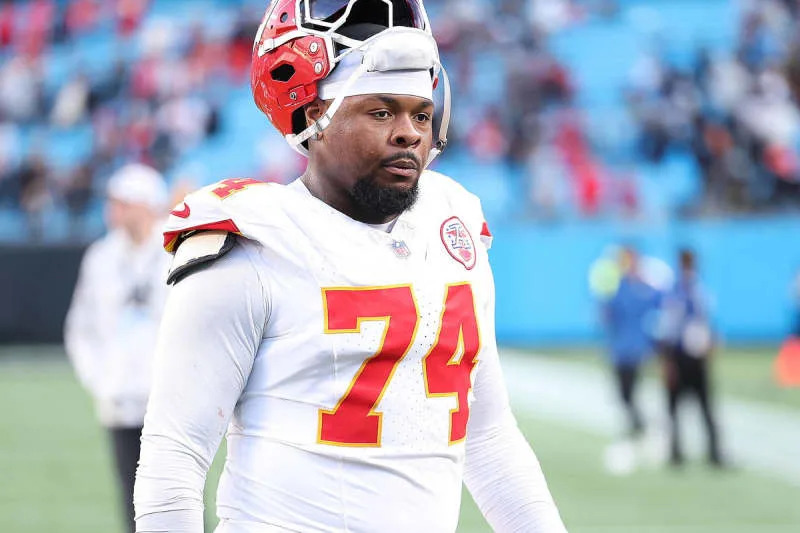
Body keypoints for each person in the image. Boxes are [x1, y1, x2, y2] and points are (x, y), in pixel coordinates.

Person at [133, 1, 567, 532]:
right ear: (314, 117)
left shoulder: (451, 222)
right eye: (381, 112)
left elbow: (489, 437)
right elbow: (174, 458)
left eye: (421, 114)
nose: (409, 133)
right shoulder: (254, 241)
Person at [64, 163, 170, 533]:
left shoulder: (176, 249)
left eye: (123, 203)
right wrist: (99, 379)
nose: (114, 211)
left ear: (146, 205)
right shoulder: (101, 256)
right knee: (132, 497)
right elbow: (81, 327)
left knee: (178, 495)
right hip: (120, 396)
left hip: (169, 397)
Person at [660, 248, 723, 467]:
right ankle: (675, 451)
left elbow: (705, 322)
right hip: (679, 354)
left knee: (705, 405)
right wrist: (668, 360)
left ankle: (714, 451)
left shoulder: (698, 290)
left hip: (696, 356)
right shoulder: (676, 292)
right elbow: (669, 327)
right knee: (675, 407)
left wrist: (710, 342)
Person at [602, 246, 660, 438]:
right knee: (623, 392)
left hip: (637, 347)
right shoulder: (617, 288)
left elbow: (659, 305)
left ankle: (639, 423)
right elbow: (608, 315)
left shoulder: (644, 287)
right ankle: (637, 421)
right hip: (620, 348)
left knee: (633, 388)